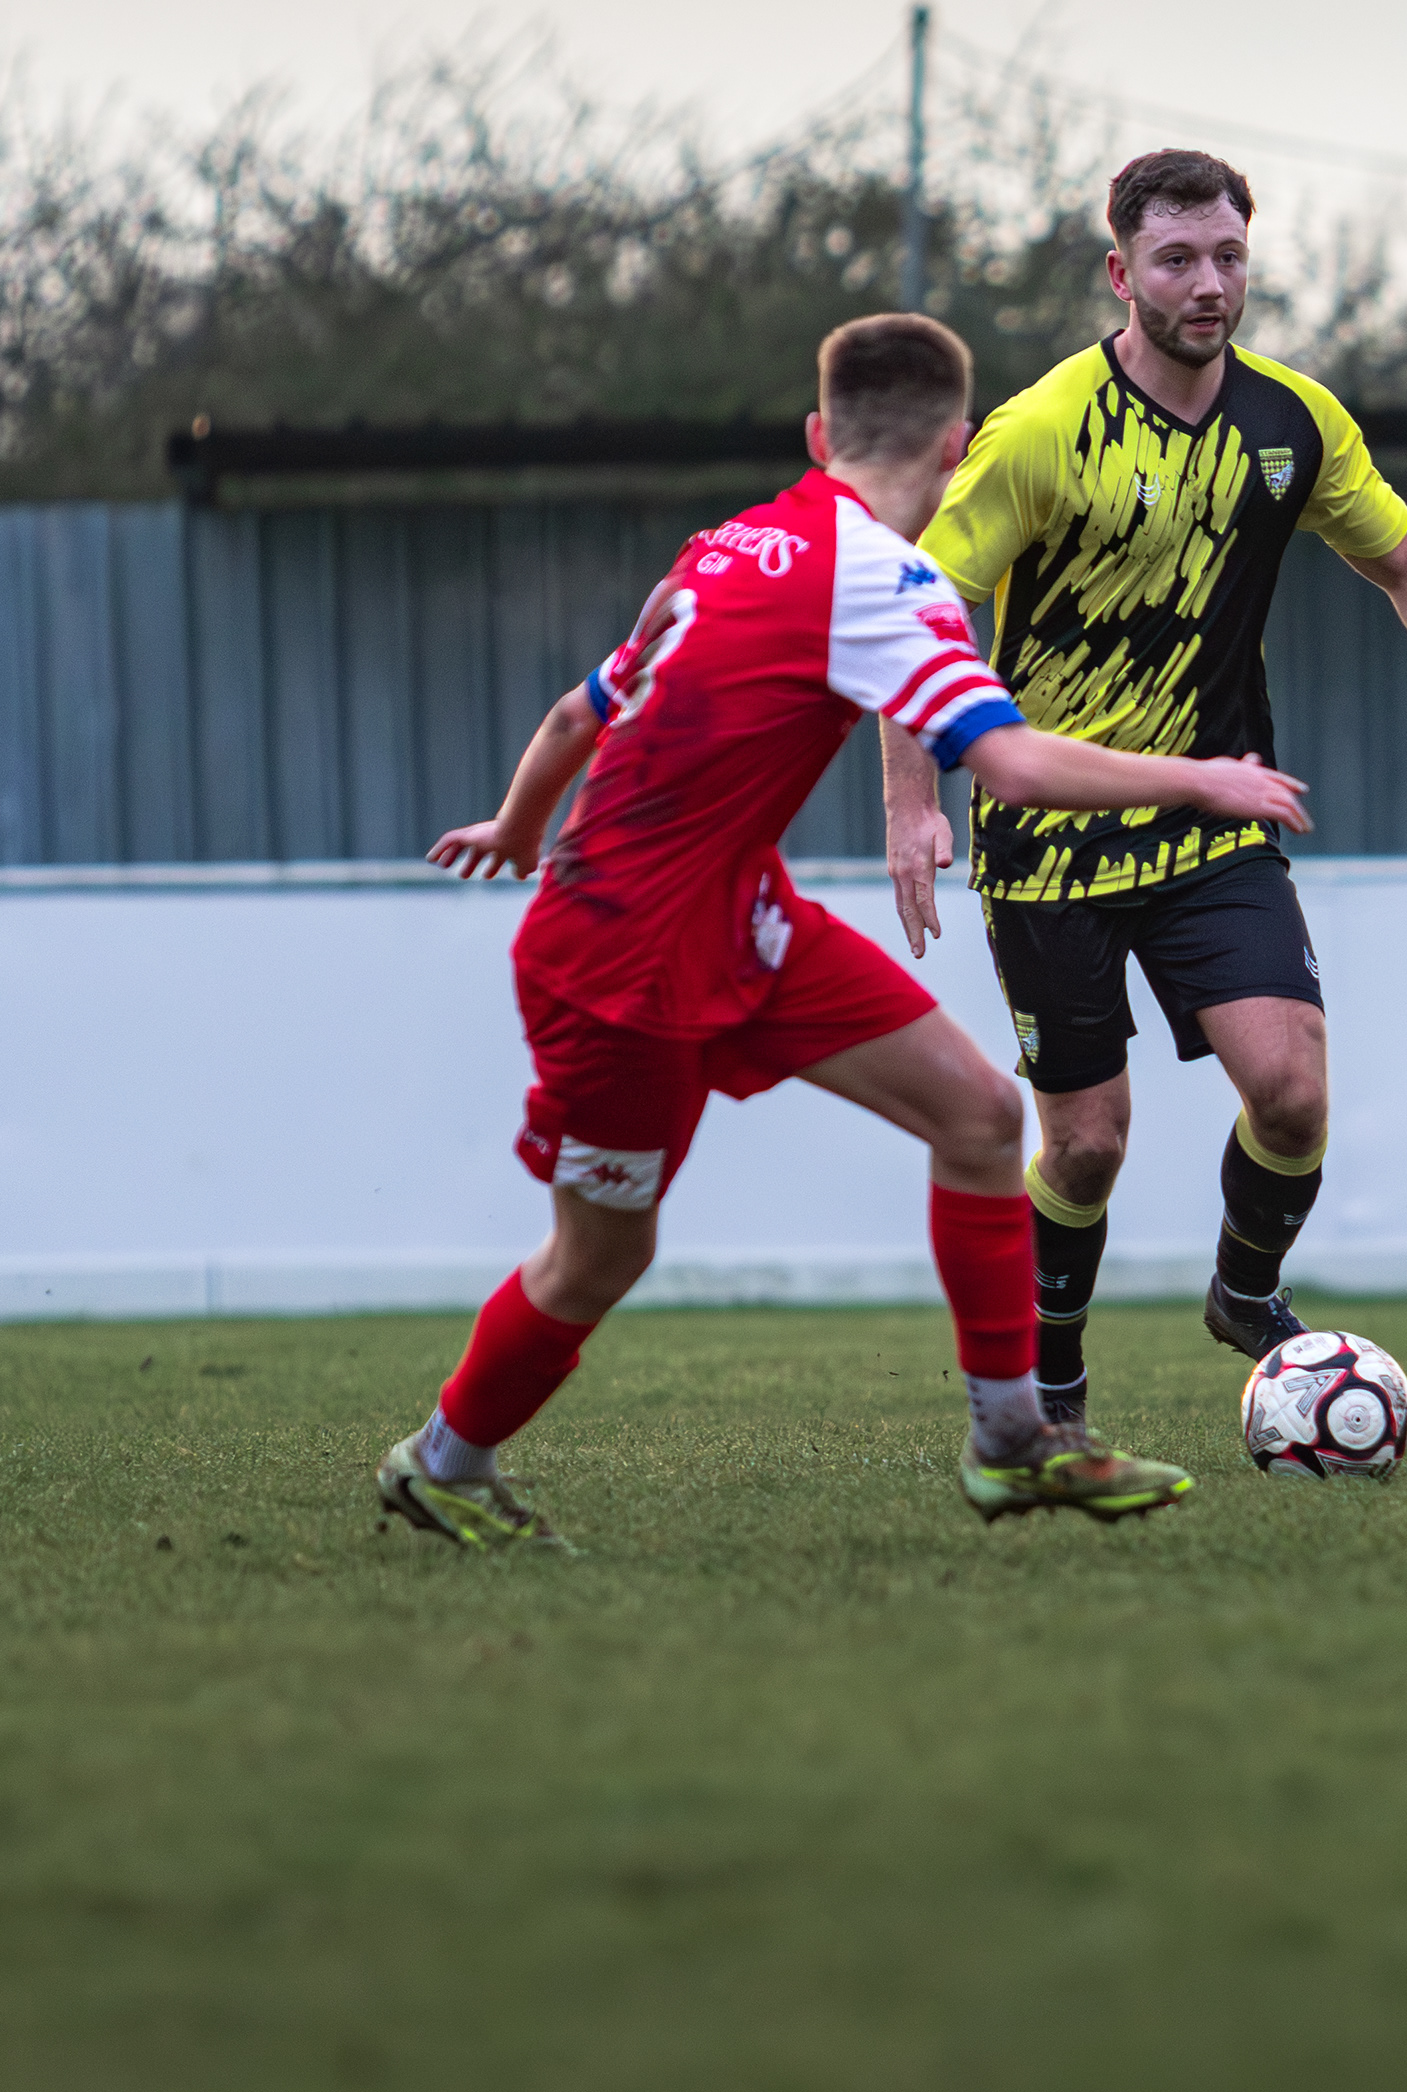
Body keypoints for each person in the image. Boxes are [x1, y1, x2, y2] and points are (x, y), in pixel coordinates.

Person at [376, 311, 1317, 1550]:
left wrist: (516, 825)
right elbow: (1012, 767)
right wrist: (1204, 777)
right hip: (617, 964)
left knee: (982, 1116)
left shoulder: (722, 547)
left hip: (736, 919)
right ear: (958, 446)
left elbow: (575, 712)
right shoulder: (885, 578)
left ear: (819, 436)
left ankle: (1012, 1441)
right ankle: (442, 1462)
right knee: (598, 1259)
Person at [881, 150, 1407, 1432]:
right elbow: (920, 600)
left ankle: (1245, 1293)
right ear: (1120, 273)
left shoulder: (1294, 424)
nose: (1209, 284)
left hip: (1215, 814)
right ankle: (1055, 1374)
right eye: (1177, 260)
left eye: (1229, 257)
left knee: (1293, 1090)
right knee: (1087, 1143)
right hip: (1047, 838)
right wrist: (911, 801)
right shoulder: (1041, 431)